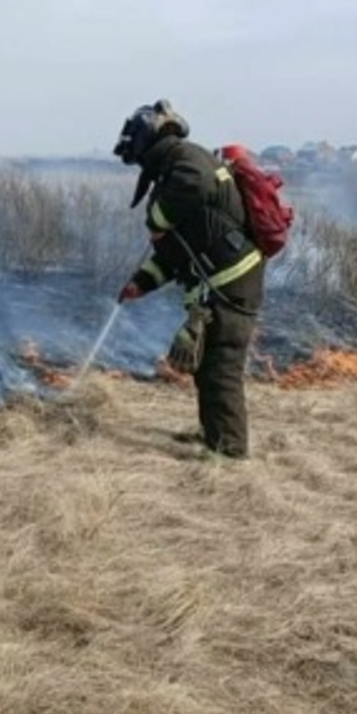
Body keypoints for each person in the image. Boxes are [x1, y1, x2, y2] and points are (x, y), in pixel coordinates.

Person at [112, 99, 266, 460]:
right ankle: (213, 436)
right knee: (207, 369)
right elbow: (176, 254)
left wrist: (157, 219)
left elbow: (190, 188)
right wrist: (142, 282)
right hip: (219, 286)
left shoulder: (187, 159)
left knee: (221, 369)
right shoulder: (173, 170)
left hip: (231, 286)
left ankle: (229, 453)